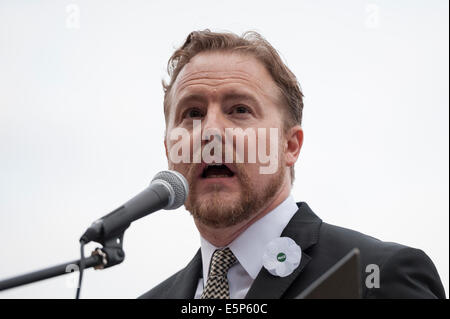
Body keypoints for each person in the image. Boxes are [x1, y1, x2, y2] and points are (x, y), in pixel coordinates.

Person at [139, 30, 445, 299]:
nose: (211, 132)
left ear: (290, 145)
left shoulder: (376, 277)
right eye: (192, 113)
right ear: (169, 149)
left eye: (240, 109)